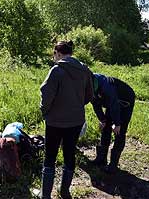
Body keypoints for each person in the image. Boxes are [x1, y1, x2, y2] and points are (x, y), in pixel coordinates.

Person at [40, 41, 93, 199]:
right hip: (76, 121)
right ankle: (64, 192)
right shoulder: (84, 70)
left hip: (54, 122)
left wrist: (45, 112)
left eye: (54, 54)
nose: (53, 57)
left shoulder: (56, 70)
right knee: (70, 154)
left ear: (58, 53)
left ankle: (46, 195)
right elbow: (89, 95)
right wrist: (76, 105)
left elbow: (46, 95)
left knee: (50, 156)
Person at [91, 73, 135, 173]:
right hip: (112, 101)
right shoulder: (88, 86)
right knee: (105, 127)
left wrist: (118, 124)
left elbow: (114, 105)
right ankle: (101, 159)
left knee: (119, 131)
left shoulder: (106, 86)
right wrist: (102, 120)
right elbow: (95, 104)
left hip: (125, 100)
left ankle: (113, 165)